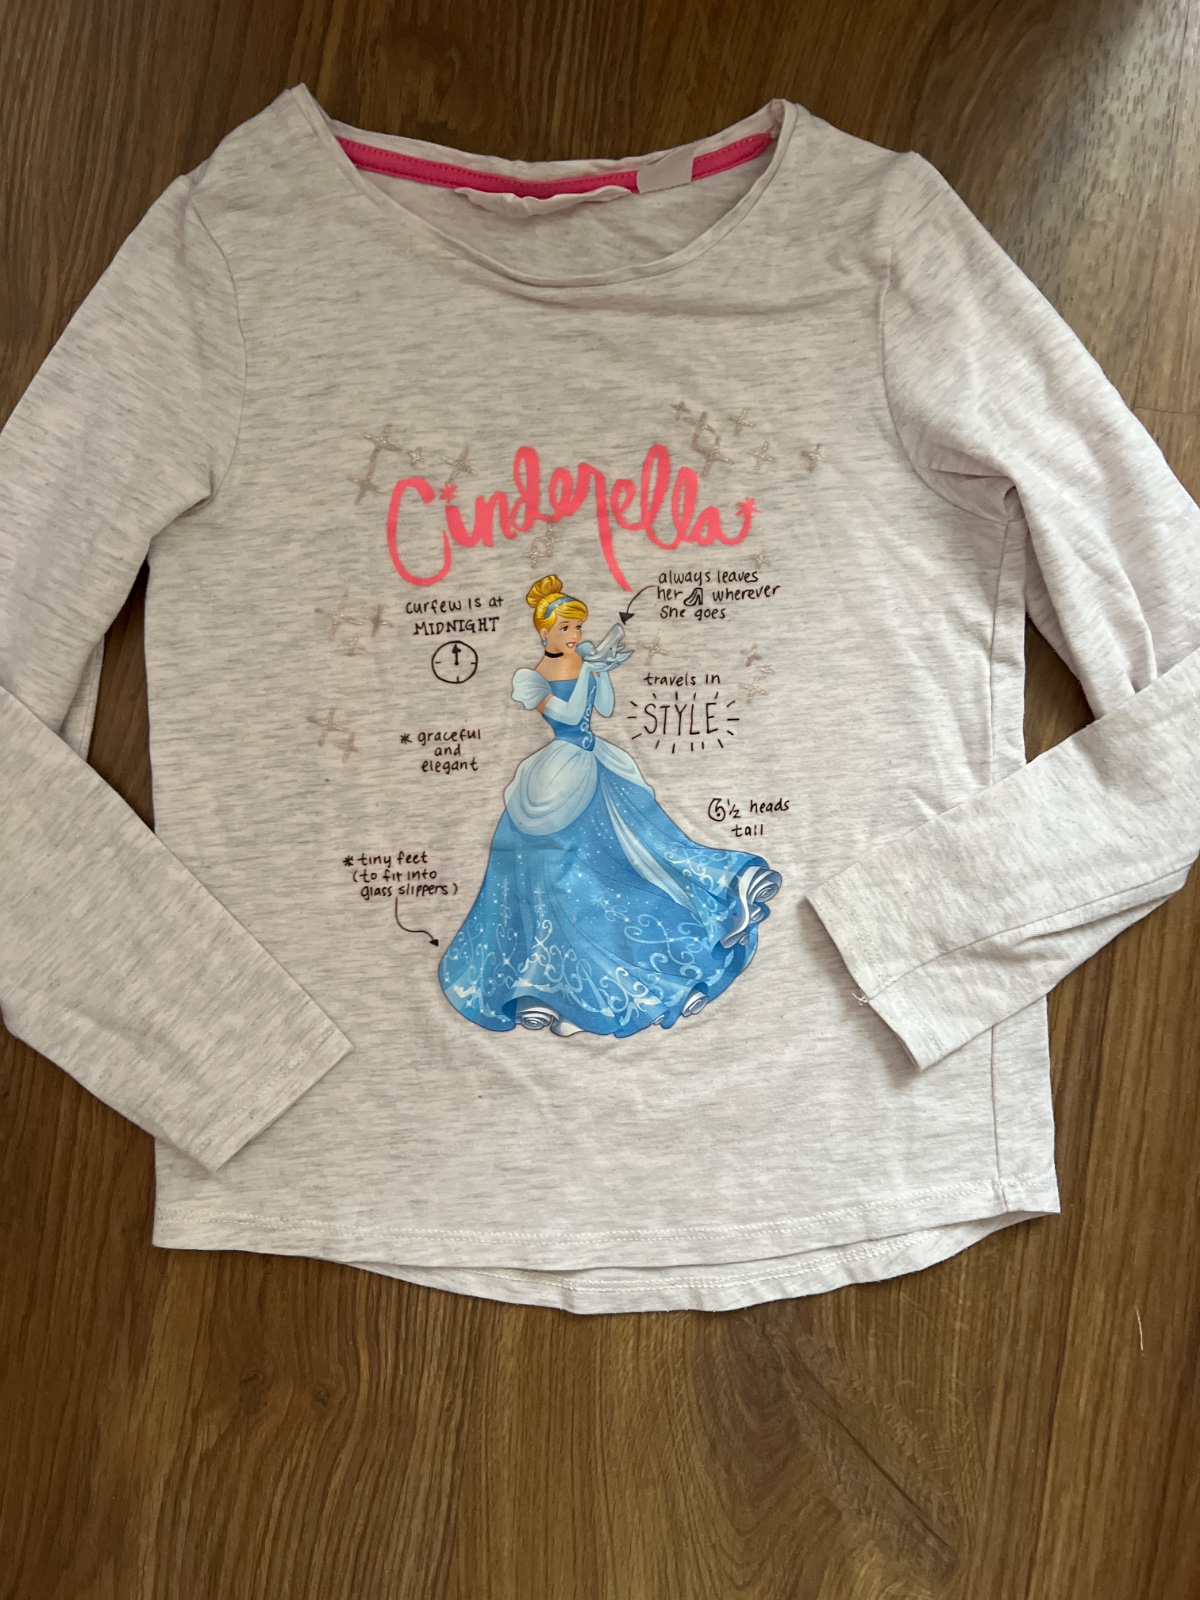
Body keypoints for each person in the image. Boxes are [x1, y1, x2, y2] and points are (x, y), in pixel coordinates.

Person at [437, 575, 783, 1036]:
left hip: (595, 763)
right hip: (558, 772)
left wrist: (600, 672)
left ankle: (706, 909)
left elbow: (602, 708)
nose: (574, 636)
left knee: (642, 850)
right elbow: (563, 716)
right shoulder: (532, 677)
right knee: (552, 875)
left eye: (577, 628)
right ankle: (568, 991)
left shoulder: (581, 660)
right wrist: (587, 670)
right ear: (545, 632)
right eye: (566, 629)